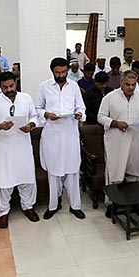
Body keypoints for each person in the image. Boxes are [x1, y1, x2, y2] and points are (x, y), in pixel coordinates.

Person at [98, 71, 139, 217]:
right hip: (117, 140)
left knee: (138, 170)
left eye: (133, 85)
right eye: (127, 85)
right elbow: (101, 116)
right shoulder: (109, 98)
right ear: (121, 83)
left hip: (137, 138)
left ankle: (136, 201)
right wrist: (115, 123)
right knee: (115, 172)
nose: (131, 88)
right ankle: (111, 204)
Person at [0, 72, 41, 228]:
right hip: (3, 148)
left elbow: (35, 117)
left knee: (26, 178)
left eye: (11, 86)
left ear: (16, 82)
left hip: (22, 145)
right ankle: (3, 213)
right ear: (0, 87)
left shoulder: (26, 98)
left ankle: (28, 207)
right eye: (5, 87)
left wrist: (30, 125)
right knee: (4, 182)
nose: (9, 89)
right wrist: (1, 126)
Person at [36, 57, 86, 220]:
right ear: (52, 72)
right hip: (52, 134)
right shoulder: (44, 87)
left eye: (64, 71)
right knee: (54, 171)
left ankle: (75, 206)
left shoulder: (74, 86)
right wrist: (46, 114)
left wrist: (80, 114)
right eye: (58, 72)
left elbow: (81, 106)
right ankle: (53, 205)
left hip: (70, 134)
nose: (61, 75)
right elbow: (38, 108)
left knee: (72, 170)